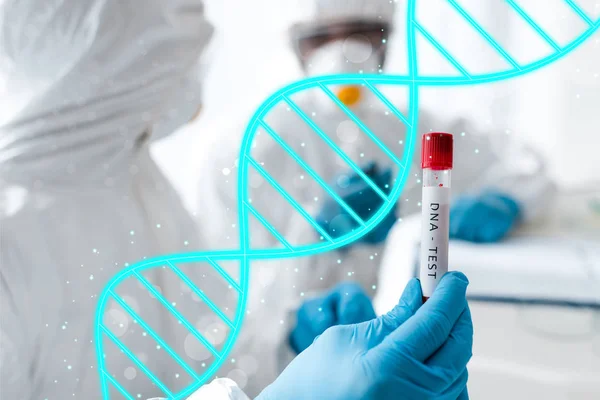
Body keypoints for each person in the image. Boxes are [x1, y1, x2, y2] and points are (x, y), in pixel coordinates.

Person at [0, 1, 474, 399]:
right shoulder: (13, 233)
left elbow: (202, 358)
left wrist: (287, 342)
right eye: (174, 50)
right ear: (109, 49)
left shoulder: (137, 185)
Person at [198, 0, 555, 394]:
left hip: (419, 352)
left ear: (386, 40)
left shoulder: (416, 128)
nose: (344, 54)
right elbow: (220, 316)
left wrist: (507, 201)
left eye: (361, 34)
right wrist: (288, 330)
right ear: (297, 44)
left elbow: (526, 165)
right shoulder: (247, 150)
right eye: (323, 38)